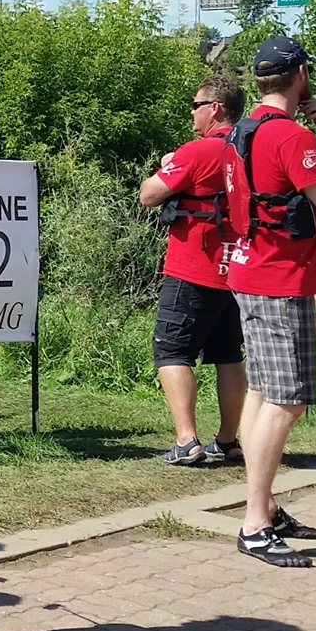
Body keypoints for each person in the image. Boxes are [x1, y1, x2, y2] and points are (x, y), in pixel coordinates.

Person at [224, 36, 316, 568]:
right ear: (300, 75)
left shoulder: (241, 130)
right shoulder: (293, 138)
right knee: (288, 400)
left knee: (262, 393)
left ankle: (267, 507)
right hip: (281, 278)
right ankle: (255, 522)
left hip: (248, 268)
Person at [137, 74, 249, 466]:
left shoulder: (198, 151)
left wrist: (167, 165)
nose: (192, 111)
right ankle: (229, 439)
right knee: (228, 354)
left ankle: (187, 440)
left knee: (171, 350)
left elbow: (148, 195)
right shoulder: (250, 149)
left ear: (215, 109)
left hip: (193, 267)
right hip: (237, 268)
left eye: (196, 104)